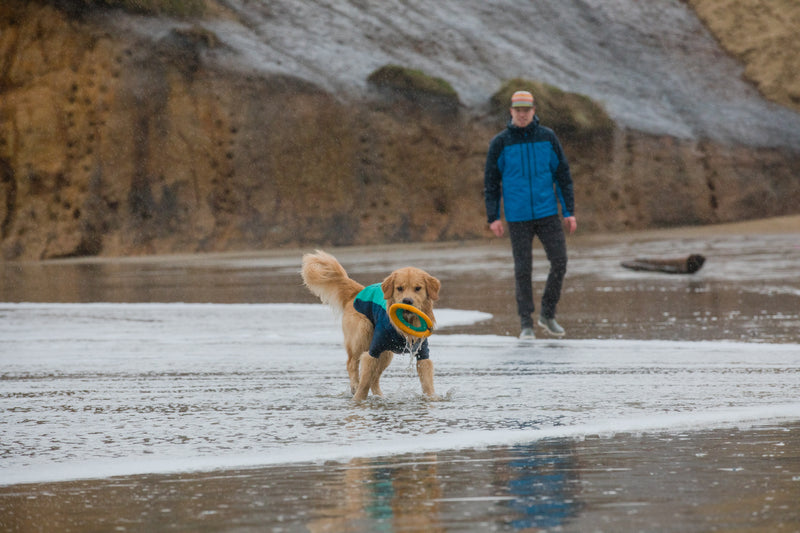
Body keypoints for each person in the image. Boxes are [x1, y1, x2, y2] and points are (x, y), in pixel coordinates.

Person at [484, 90, 577, 339]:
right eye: (518, 110)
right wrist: (493, 217)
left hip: (548, 213)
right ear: (511, 112)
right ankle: (526, 323)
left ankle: (548, 314)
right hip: (518, 217)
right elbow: (491, 182)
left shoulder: (548, 137)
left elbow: (563, 176)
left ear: (533, 111)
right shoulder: (500, 143)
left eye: (527, 110)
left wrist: (569, 212)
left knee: (560, 261)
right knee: (523, 269)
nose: (522, 115)